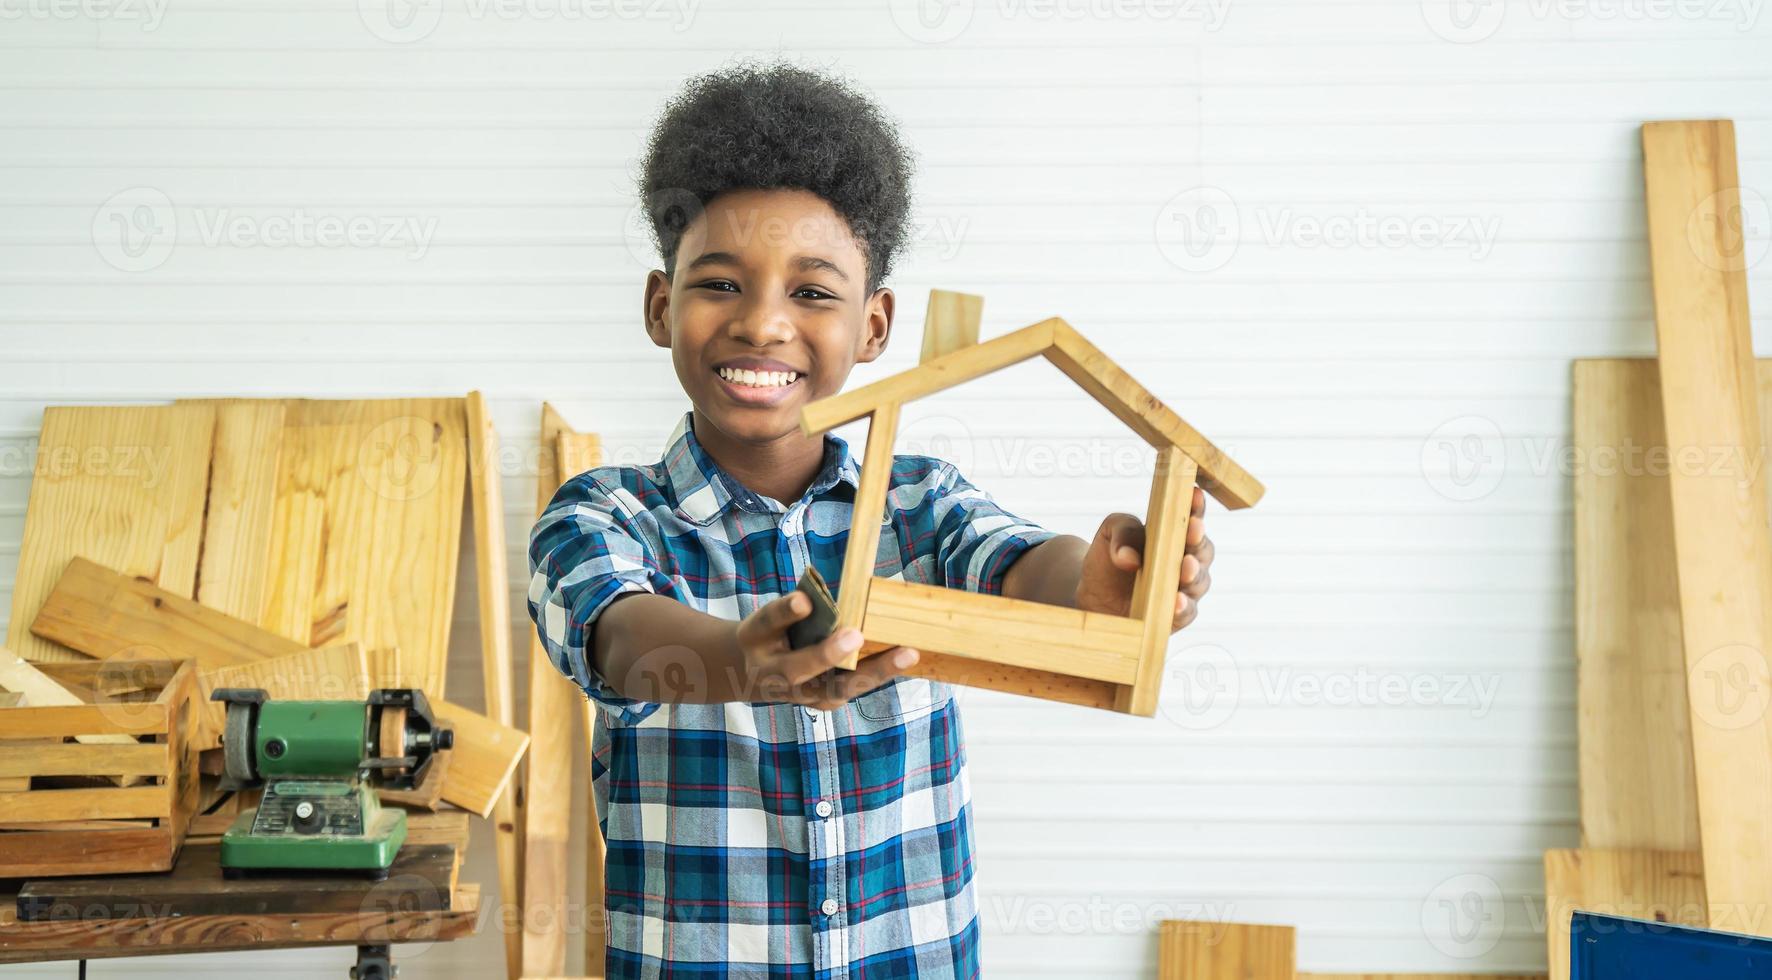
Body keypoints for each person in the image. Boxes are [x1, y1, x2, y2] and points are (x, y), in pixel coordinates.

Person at [527, 60, 1216, 979]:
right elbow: (617, 634)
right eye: (721, 284)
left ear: (876, 328)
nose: (764, 324)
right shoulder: (605, 512)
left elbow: (1015, 563)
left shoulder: (918, 503)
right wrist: (742, 662)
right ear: (662, 306)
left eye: (813, 293)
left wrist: (1097, 585)